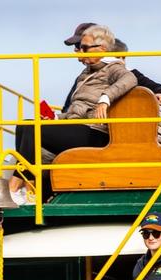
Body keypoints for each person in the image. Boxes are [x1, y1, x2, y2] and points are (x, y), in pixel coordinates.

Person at [8, 24, 136, 203]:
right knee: (24, 125)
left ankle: (14, 189)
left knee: (31, 129)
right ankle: (27, 190)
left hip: (94, 132)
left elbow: (130, 78)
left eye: (84, 48)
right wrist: (55, 118)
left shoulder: (112, 68)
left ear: (102, 48)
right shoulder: (86, 73)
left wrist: (105, 98)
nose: (79, 52)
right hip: (77, 126)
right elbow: (78, 109)